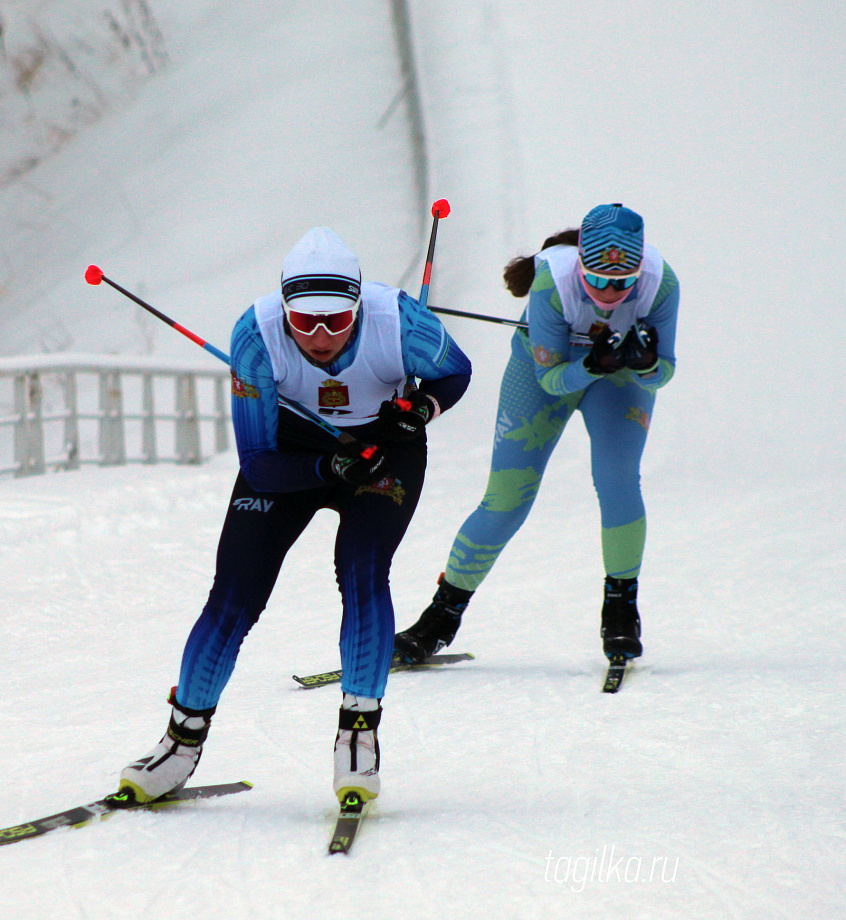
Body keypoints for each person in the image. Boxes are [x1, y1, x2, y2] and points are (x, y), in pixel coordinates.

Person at [120, 227, 471, 806]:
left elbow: (455, 372)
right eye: (304, 322)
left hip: (386, 449)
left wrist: (418, 411)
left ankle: (358, 736)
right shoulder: (256, 337)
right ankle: (180, 744)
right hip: (292, 455)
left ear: (359, 306)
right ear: (284, 310)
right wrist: (329, 468)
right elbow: (258, 465)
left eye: (336, 321)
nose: (320, 337)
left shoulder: (399, 320)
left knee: (361, 570)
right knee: (236, 589)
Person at [395, 203, 679, 665]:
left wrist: (643, 363)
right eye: (598, 280)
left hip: (618, 380)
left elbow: (663, 374)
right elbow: (551, 380)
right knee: (506, 499)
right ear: (580, 264)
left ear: (638, 271)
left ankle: (621, 610)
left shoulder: (661, 282)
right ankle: (440, 618)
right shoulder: (555, 280)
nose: (610, 293)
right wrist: (590, 364)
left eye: (622, 283)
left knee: (618, 480)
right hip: (544, 370)